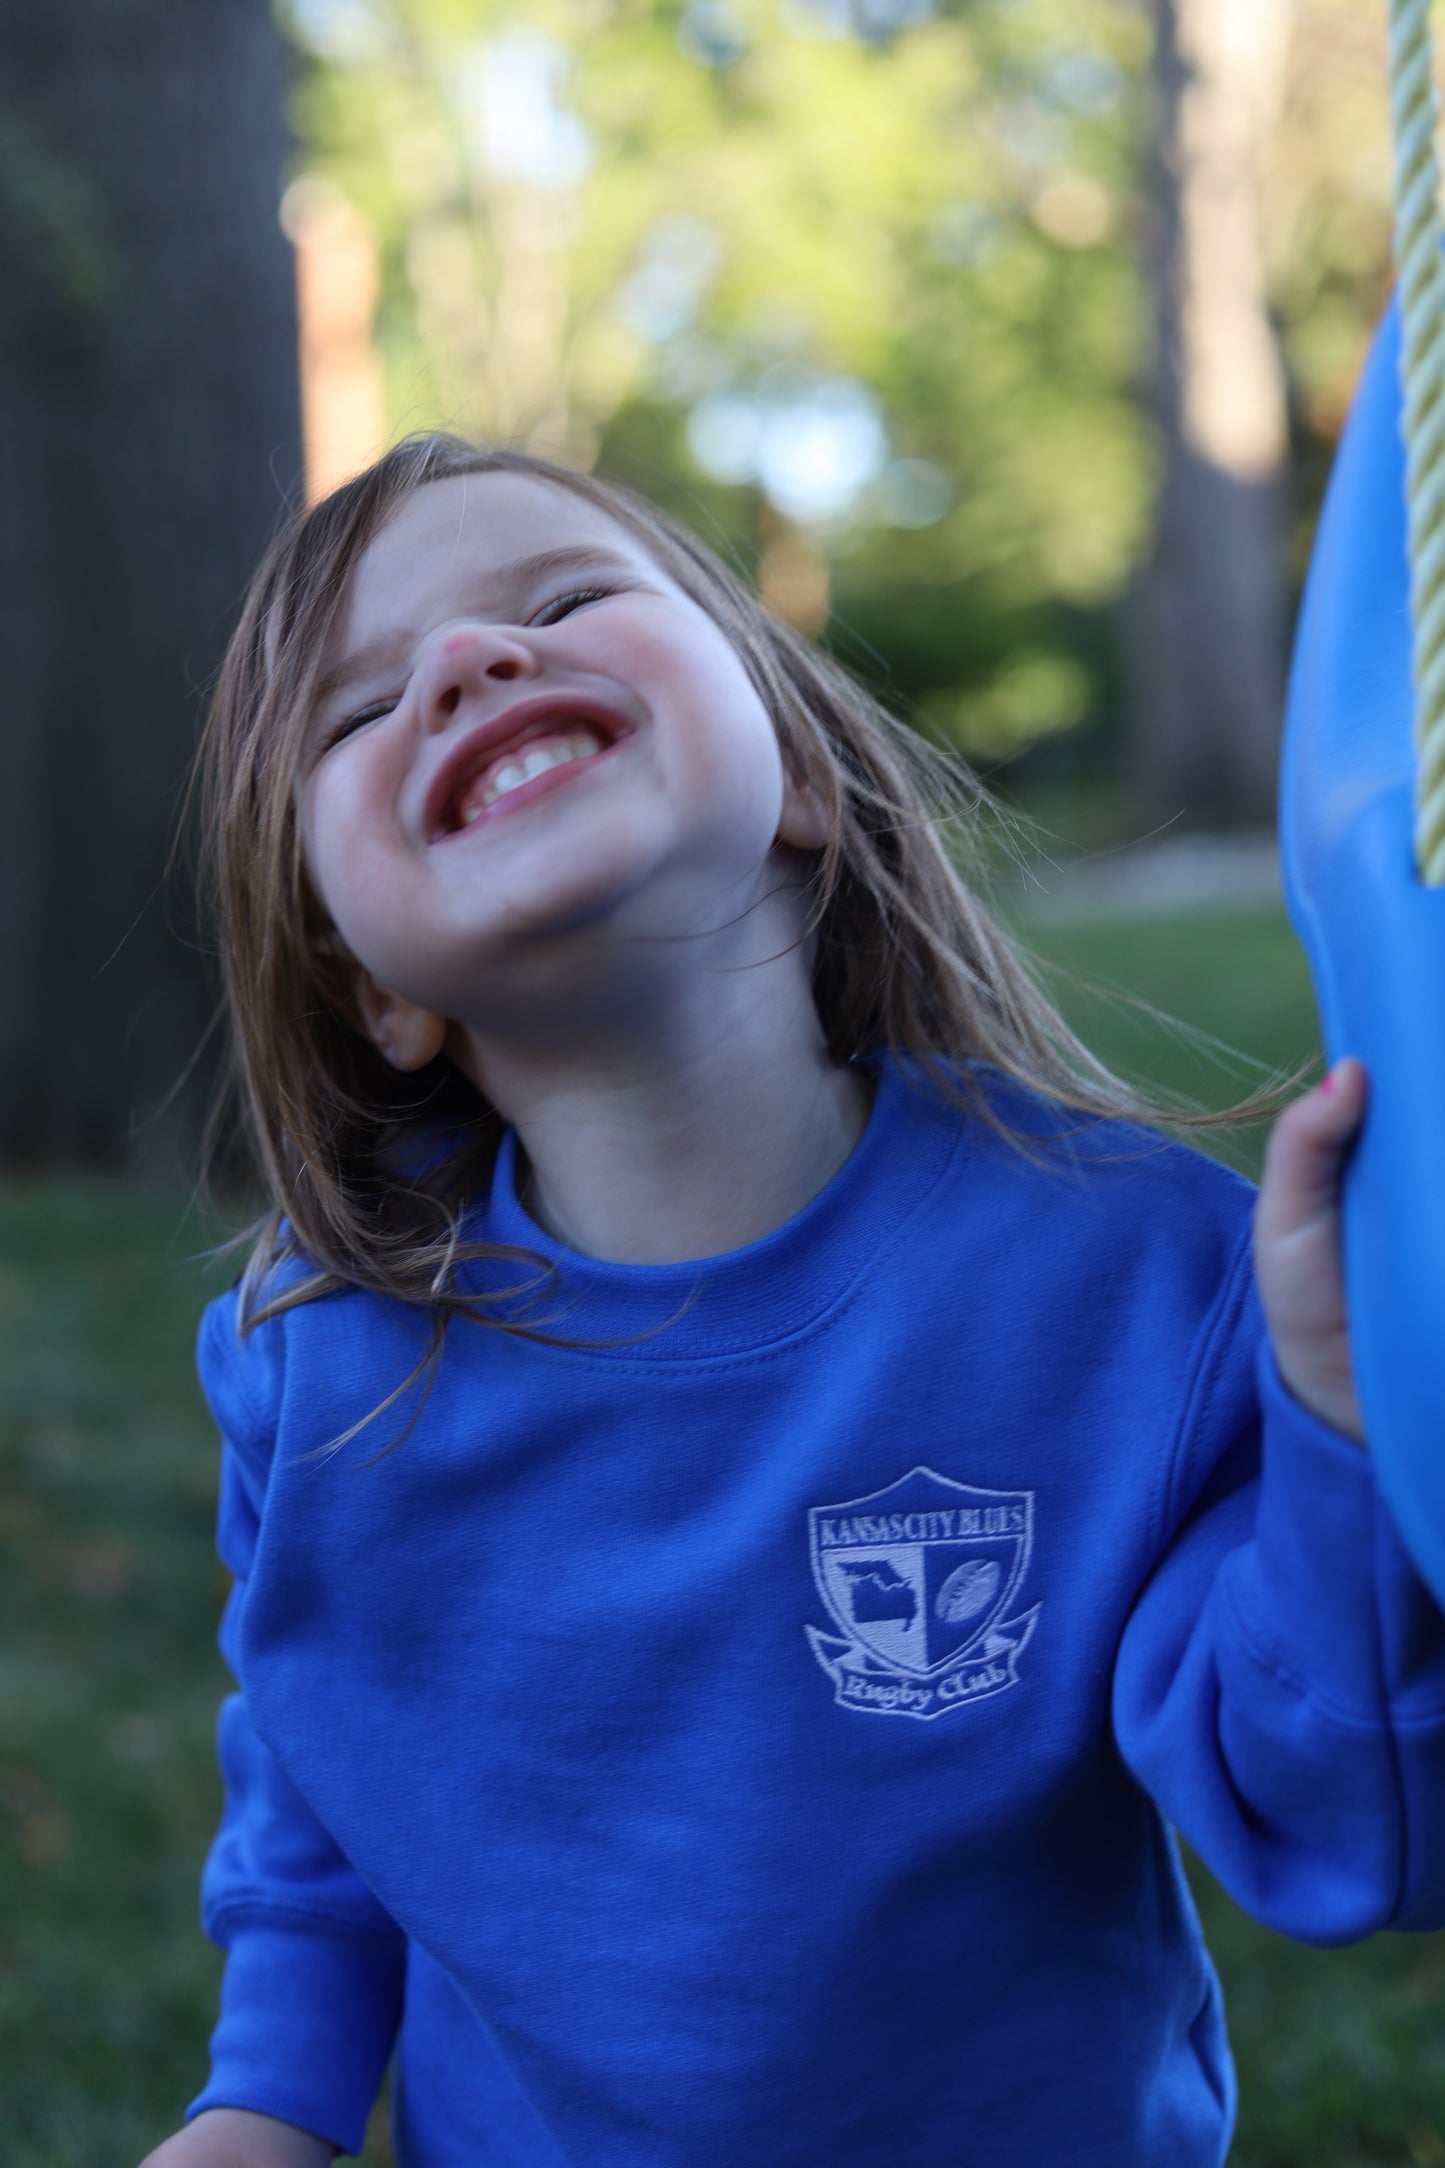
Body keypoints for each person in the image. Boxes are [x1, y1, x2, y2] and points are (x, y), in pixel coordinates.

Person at [141, 437, 1445, 2168]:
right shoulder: (322, 1363)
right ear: (369, 988)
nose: (469, 663)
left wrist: (1350, 1424)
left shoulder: (1130, 1286)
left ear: (802, 777)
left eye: (565, 597)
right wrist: (267, 2103)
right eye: (362, 705)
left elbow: (1344, 1820)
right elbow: (326, 1767)